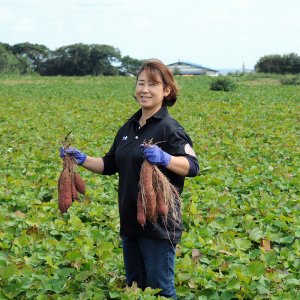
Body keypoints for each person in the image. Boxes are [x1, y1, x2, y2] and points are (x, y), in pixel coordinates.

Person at [60, 59, 199, 299]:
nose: (144, 89)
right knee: (135, 289)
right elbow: (109, 164)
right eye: (140, 83)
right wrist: (81, 158)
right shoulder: (128, 127)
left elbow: (192, 166)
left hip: (158, 226)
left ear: (166, 91)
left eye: (152, 84)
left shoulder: (169, 128)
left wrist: (165, 158)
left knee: (161, 292)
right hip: (131, 223)